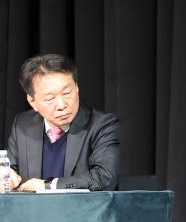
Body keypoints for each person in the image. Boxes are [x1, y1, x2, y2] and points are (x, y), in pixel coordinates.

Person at [5, 53, 120, 191]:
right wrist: (7, 176)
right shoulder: (23, 124)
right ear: (32, 101)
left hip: (81, 211)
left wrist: (48, 185)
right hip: (32, 212)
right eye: (49, 98)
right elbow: (10, 169)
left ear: (76, 88)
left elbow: (105, 177)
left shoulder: (102, 125)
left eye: (66, 93)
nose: (61, 105)